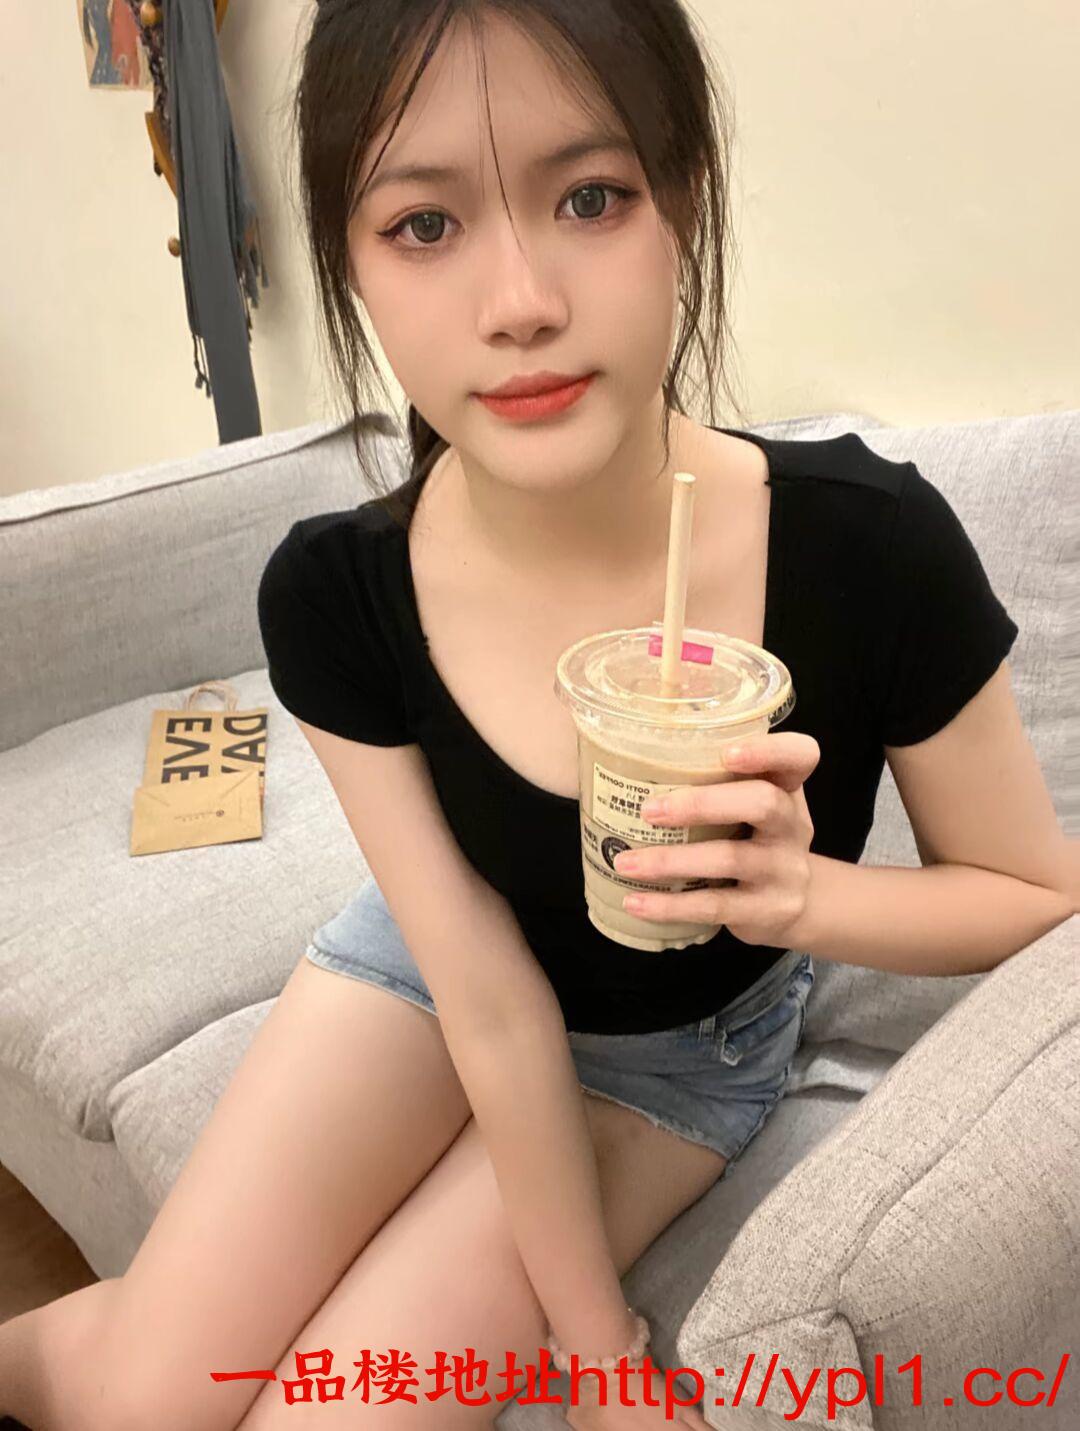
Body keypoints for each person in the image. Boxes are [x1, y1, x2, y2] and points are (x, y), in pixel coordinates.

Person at [4, 3, 1068, 1430]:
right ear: (352, 267)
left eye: (591, 198)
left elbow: (1033, 893)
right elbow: (484, 993)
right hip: (429, 978)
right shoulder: (338, 593)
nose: (518, 302)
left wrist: (802, 897)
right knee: (144, 1398)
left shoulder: (870, 547)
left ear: (683, 205)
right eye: (423, 226)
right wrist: (599, 1343)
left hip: (672, 1056)